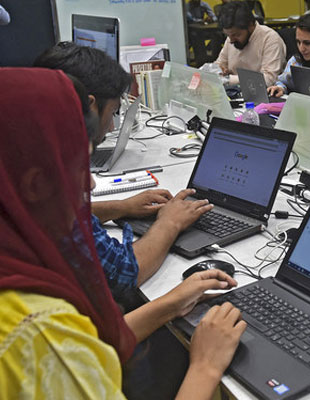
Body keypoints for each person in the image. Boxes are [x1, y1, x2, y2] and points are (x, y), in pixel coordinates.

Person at [0, 67, 247, 399]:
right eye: (79, 167)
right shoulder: (38, 337)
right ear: (35, 184)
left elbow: (91, 340)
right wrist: (206, 367)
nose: (89, 184)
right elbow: (67, 346)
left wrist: (172, 303)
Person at [34, 43, 214, 302]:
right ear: (89, 106)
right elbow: (122, 273)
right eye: (113, 113)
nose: (109, 128)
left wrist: (121, 206)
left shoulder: (24, 145)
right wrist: (170, 222)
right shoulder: (44, 172)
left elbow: (55, 220)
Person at [215, 2, 286, 86]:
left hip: (261, 94)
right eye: (228, 35)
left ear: (251, 25)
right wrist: (219, 70)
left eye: (236, 35)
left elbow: (269, 79)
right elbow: (219, 64)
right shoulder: (232, 38)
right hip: (234, 92)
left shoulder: (270, 39)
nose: (231, 40)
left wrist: (229, 79)